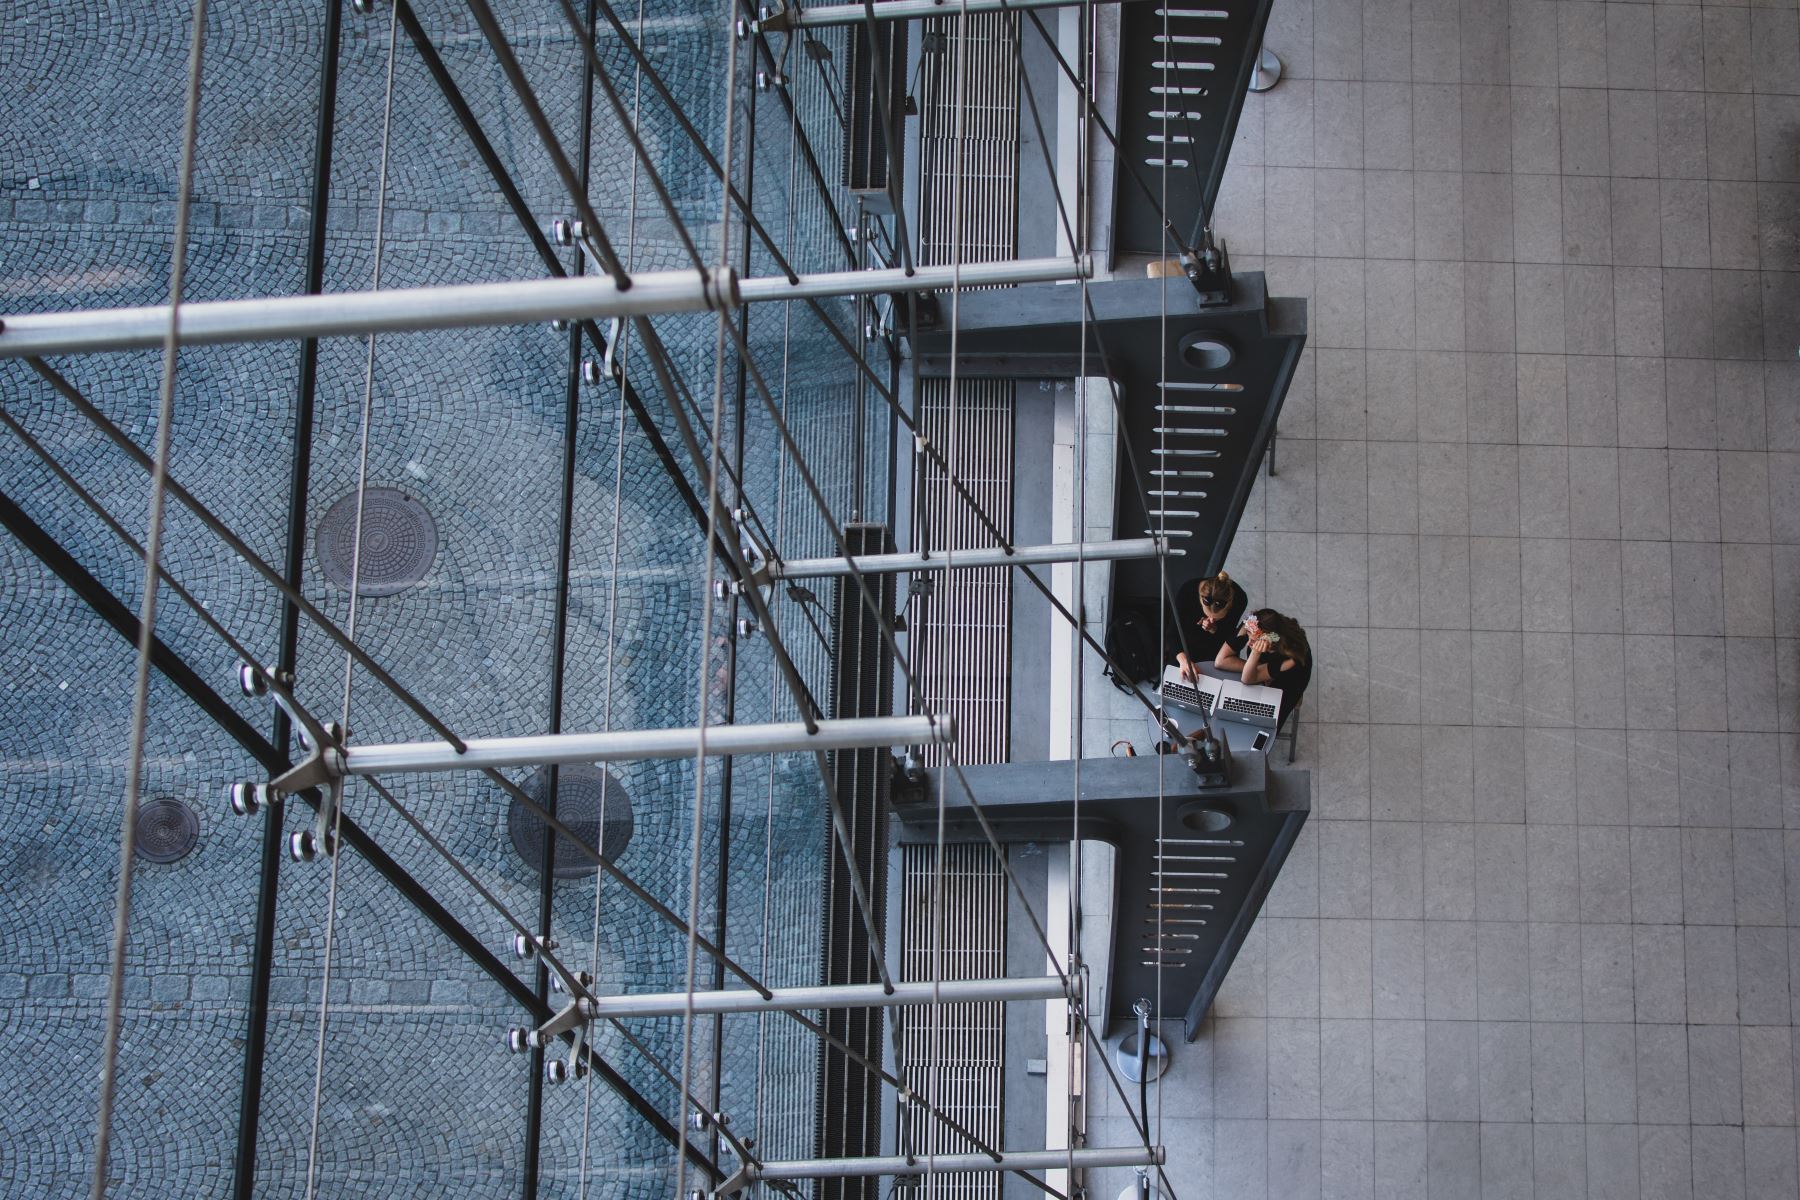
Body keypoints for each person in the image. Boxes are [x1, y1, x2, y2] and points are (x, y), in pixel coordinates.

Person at [1214, 608, 1311, 730]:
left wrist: (1255, 654)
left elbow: (1247, 679)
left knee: (1261, 723)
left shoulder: (1289, 660)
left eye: (1254, 641)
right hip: (1265, 669)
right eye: (1249, 637)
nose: (1249, 643)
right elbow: (1220, 661)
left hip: (1288, 682)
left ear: (1269, 639)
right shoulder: (1254, 624)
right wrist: (1257, 668)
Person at [1169, 571, 1248, 680]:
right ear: (1201, 600)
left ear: (1230, 605)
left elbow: (1228, 636)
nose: (1210, 619)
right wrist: (1184, 661)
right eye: (1207, 614)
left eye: (1216, 618)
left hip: (1216, 647)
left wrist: (1215, 629)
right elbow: (1171, 633)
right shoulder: (1187, 590)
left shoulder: (1240, 598)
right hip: (1183, 646)